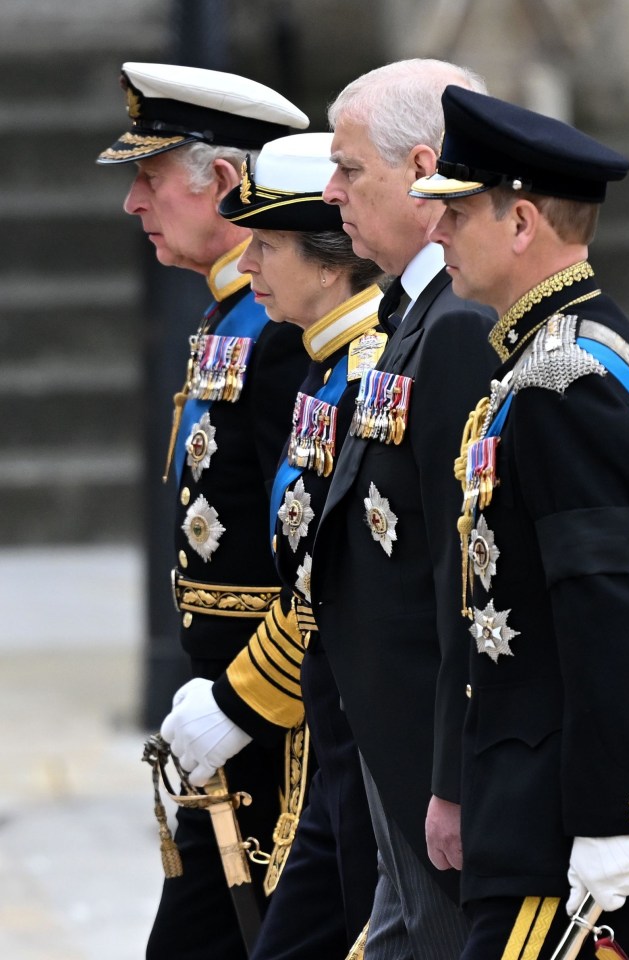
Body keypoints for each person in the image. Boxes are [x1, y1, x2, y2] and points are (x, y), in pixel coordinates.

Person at [411, 84, 629, 958]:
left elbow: (606, 604)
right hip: (535, 801)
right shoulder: (563, 354)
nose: (435, 233)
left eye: (455, 213)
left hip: (561, 825)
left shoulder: (563, 382)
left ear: (521, 222)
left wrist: (608, 820)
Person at [97, 62, 311, 960]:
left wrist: (242, 699)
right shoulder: (233, 316)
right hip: (224, 718)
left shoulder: (282, 327)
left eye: (148, 179)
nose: (132, 204)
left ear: (222, 181)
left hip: (277, 730)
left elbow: (318, 559)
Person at [311, 60, 498, 959]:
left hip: (428, 758)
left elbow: (462, 572)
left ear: (423, 171)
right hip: (390, 744)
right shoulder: (410, 313)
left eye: (350, 169)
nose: (330, 189)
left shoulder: (454, 326)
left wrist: (450, 776)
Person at [218, 130, 384, 959]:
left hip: (365, 740)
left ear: (328, 264)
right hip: (335, 729)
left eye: (265, 244)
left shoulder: (364, 373)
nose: (246, 265)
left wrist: (240, 697)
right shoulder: (325, 367)